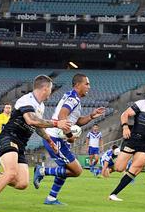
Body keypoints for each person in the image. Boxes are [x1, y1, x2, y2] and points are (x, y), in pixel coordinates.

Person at [0, 75, 71, 212]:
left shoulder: (40, 106)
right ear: (45, 88)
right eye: (50, 89)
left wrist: (49, 141)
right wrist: (56, 123)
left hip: (21, 145)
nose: (51, 92)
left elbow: (38, 126)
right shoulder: (27, 100)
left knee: (22, 183)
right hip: (8, 138)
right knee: (11, 173)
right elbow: (31, 120)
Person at [33, 73, 105, 205]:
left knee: (66, 170)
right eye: (87, 84)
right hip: (55, 137)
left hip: (59, 137)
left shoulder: (73, 97)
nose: (89, 86)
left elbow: (76, 121)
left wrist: (91, 116)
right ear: (78, 85)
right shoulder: (73, 99)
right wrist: (70, 136)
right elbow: (62, 116)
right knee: (77, 170)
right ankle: (42, 170)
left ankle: (51, 198)